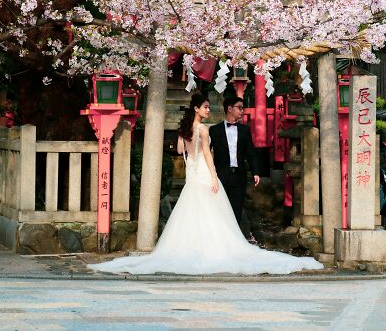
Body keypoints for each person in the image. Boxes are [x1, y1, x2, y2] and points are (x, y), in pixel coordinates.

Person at [89, 94, 323, 275]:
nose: (209, 110)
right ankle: (213, 248)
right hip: (202, 173)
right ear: (196, 109)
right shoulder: (203, 129)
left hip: (192, 177)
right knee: (213, 214)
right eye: (206, 107)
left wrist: (183, 136)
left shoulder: (185, 130)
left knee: (192, 213)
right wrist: (213, 177)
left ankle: (192, 247)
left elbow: (181, 151)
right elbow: (208, 155)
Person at [208, 96, 259, 233]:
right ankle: (218, 237)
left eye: (243, 108)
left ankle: (233, 240)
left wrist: (255, 172)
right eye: (239, 108)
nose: (242, 111)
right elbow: (206, 152)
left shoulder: (245, 130)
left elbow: (251, 152)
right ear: (229, 109)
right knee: (219, 208)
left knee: (236, 209)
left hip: (239, 175)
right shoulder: (214, 130)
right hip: (220, 176)